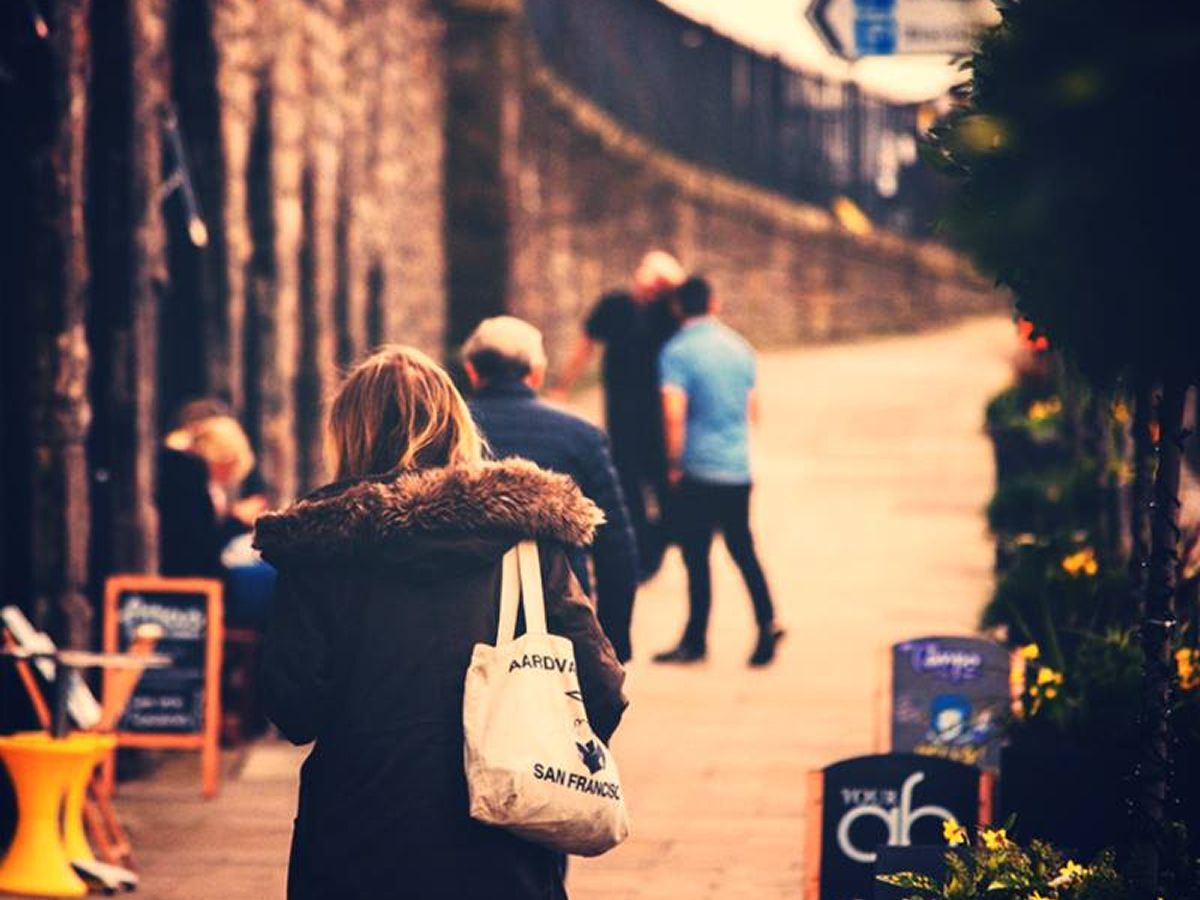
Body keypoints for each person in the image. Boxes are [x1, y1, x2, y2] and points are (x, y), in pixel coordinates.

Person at [254, 345, 627, 899]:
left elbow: (293, 708)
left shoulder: (317, 552)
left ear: (348, 433)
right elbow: (602, 686)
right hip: (501, 845)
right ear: (455, 423)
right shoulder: (523, 545)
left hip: (355, 840)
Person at [463, 316, 639, 662]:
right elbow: (616, 547)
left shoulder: (446, 431)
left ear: (471, 371)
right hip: (558, 619)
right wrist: (610, 642)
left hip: (467, 619)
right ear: (537, 373)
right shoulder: (581, 436)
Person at [652, 276, 784, 667]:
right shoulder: (740, 348)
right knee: (743, 549)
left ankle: (695, 641)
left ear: (678, 308)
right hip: (736, 469)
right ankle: (767, 621)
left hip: (698, 469)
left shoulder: (676, 351)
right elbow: (753, 411)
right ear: (714, 304)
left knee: (696, 557)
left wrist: (673, 462)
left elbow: (673, 412)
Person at [554, 250, 685, 580]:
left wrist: (672, 284)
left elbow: (689, 313)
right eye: (649, 281)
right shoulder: (615, 306)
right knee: (627, 483)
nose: (651, 289)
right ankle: (643, 554)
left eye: (659, 285)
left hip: (657, 413)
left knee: (662, 483)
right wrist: (563, 386)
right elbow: (585, 346)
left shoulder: (669, 312)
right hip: (622, 413)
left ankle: (662, 540)